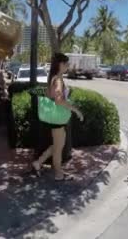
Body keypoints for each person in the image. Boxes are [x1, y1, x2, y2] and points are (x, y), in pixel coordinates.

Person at [31, 53, 84, 181]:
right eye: (66, 63)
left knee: (56, 145)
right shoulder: (58, 79)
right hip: (58, 117)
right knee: (58, 148)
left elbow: (50, 95)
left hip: (55, 117)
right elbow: (59, 100)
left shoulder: (53, 78)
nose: (68, 66)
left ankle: (38, 162)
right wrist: (76, 110)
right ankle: (59, 174)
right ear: (60, 65)